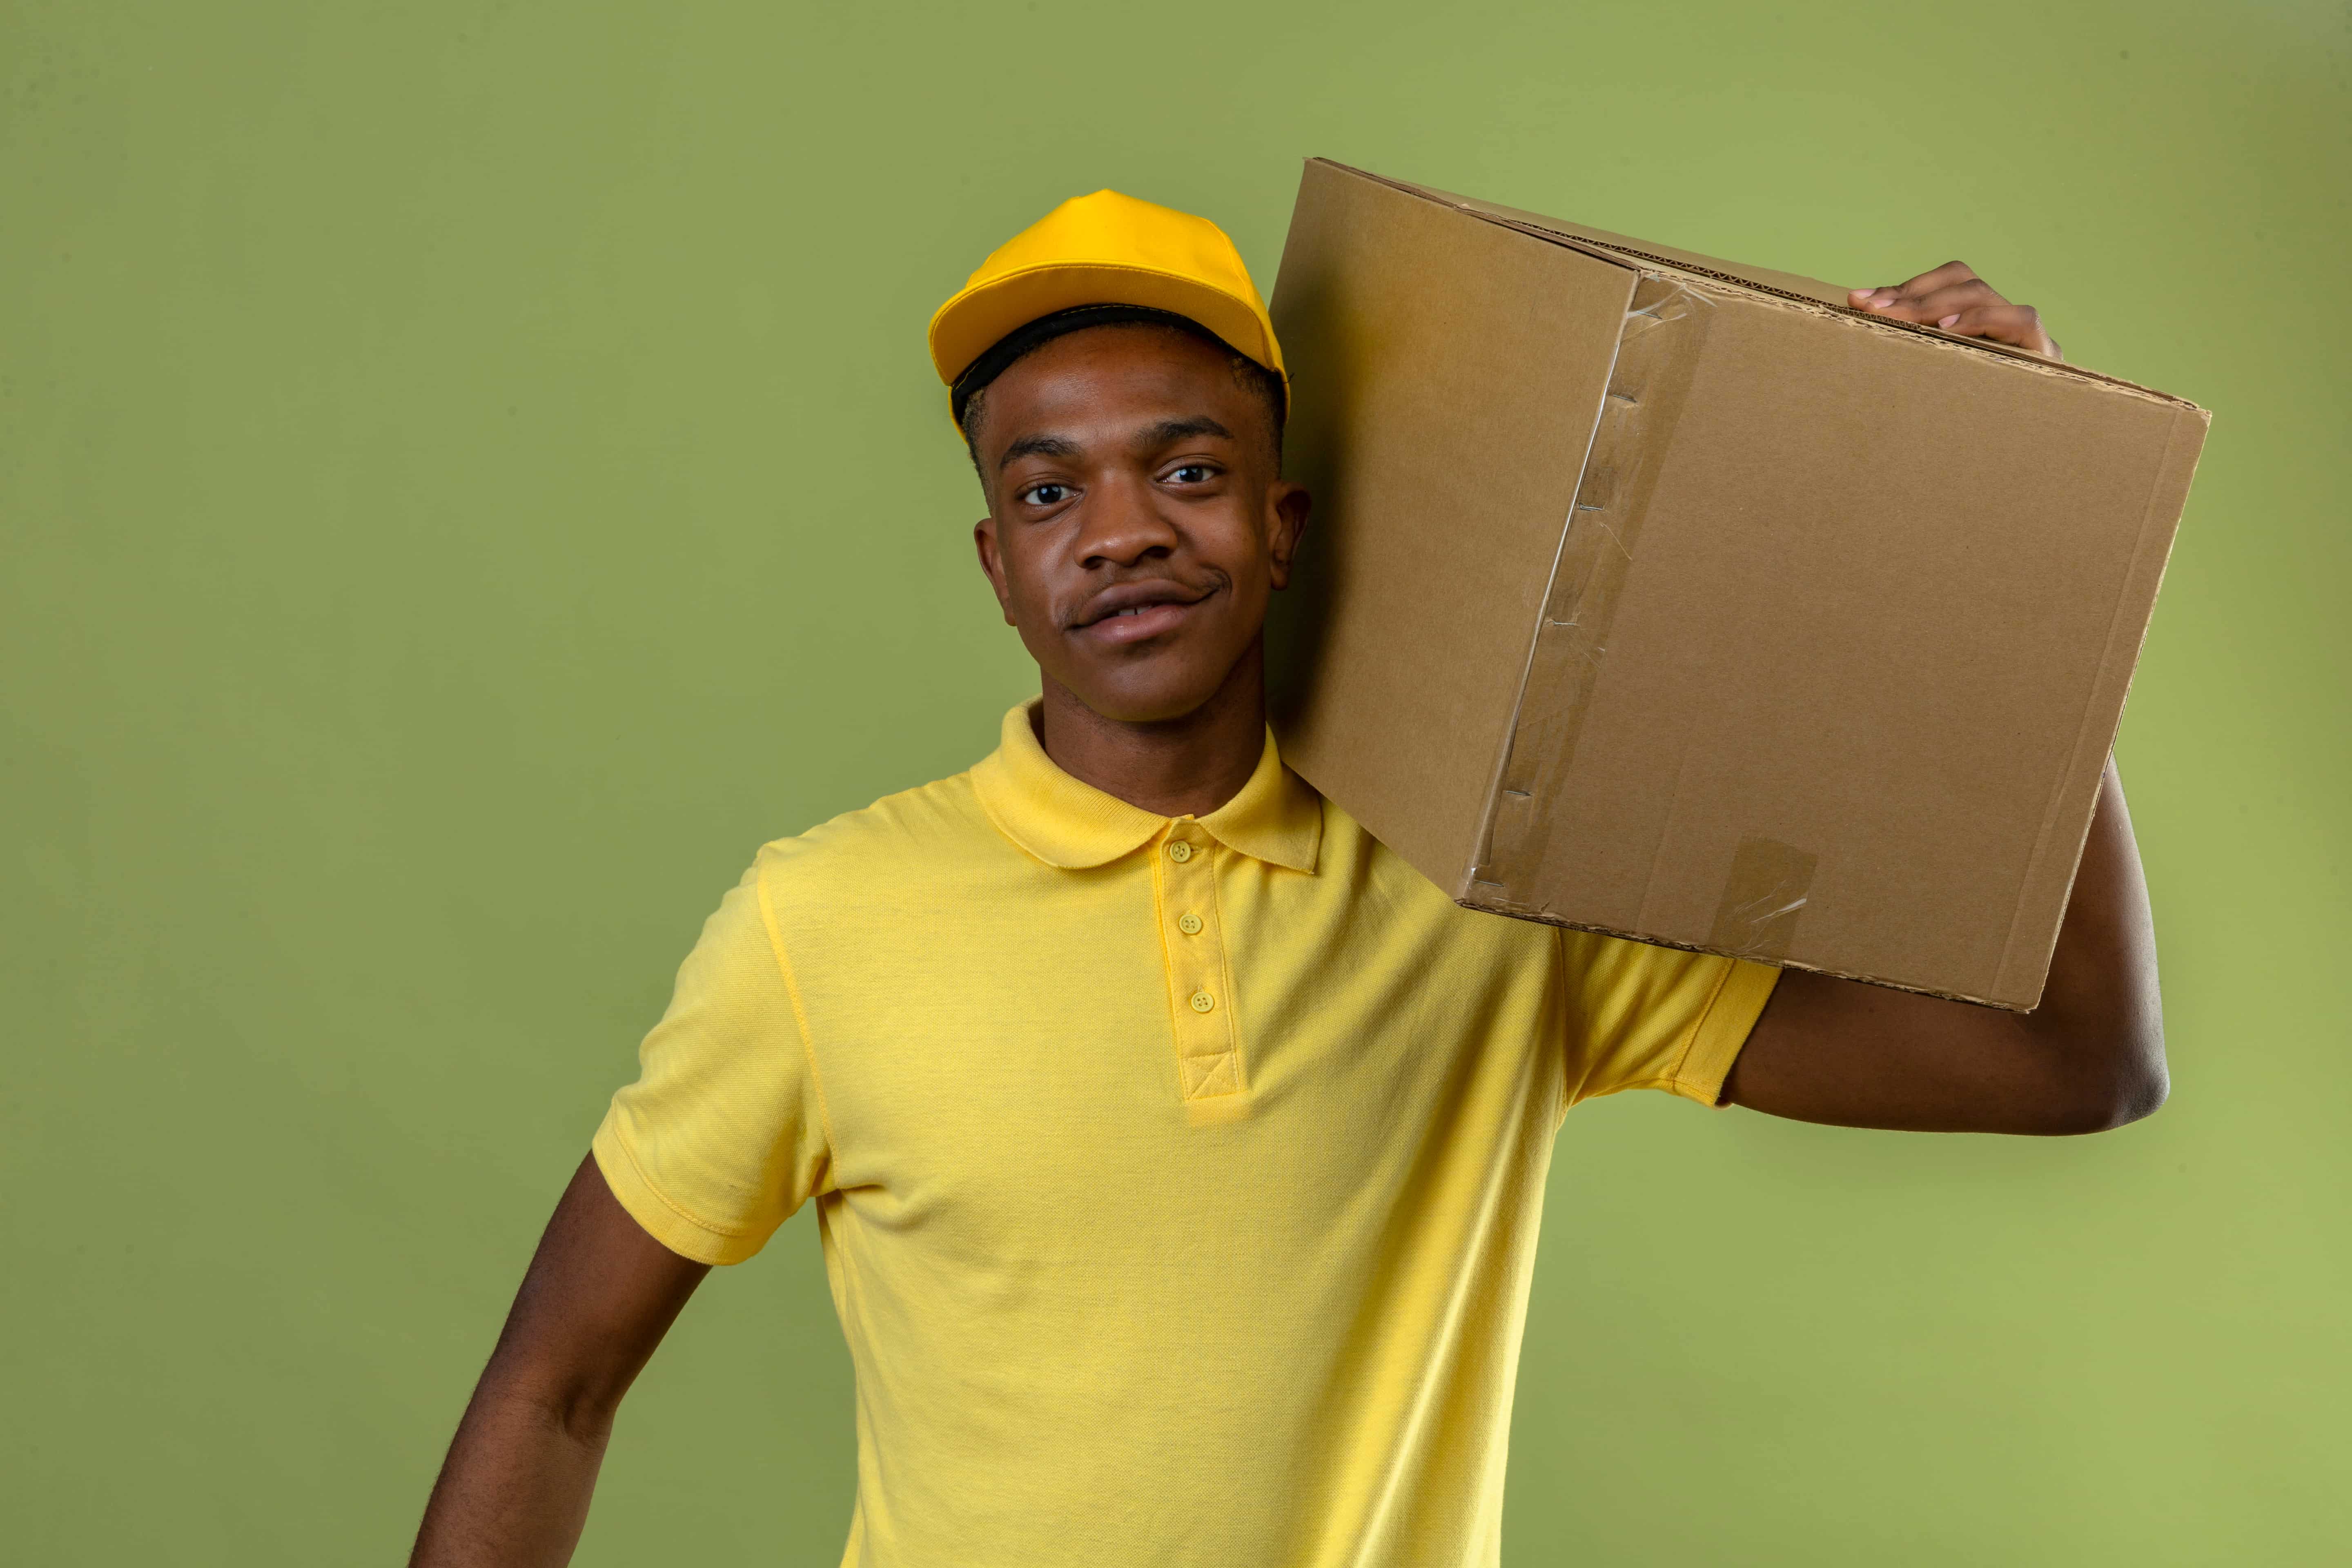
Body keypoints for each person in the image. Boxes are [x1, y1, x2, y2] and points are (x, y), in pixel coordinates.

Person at [408, 190, 2160, 1568]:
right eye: (1045, 491)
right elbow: (554, 1387)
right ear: (996, 565)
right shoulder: (821, 922)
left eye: (1187, 471)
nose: (1121, 531)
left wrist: (2001, 514)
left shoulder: (1483, 896)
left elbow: (2074, 1064)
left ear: (1281, 524)